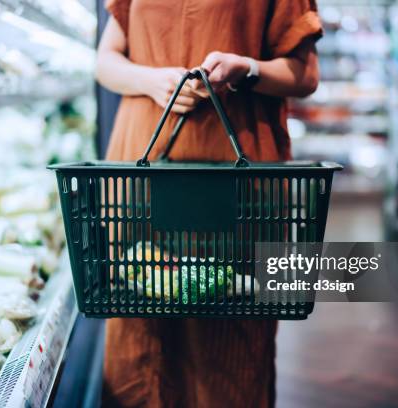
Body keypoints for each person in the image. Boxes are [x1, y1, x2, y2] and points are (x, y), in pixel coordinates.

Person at [95, 1, 322, 406]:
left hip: (236, 176)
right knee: (137, 322)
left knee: (232, 328)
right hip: (142, 169)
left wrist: (247, 69)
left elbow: (305, 74)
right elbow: (105, 61)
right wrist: (150, 80)